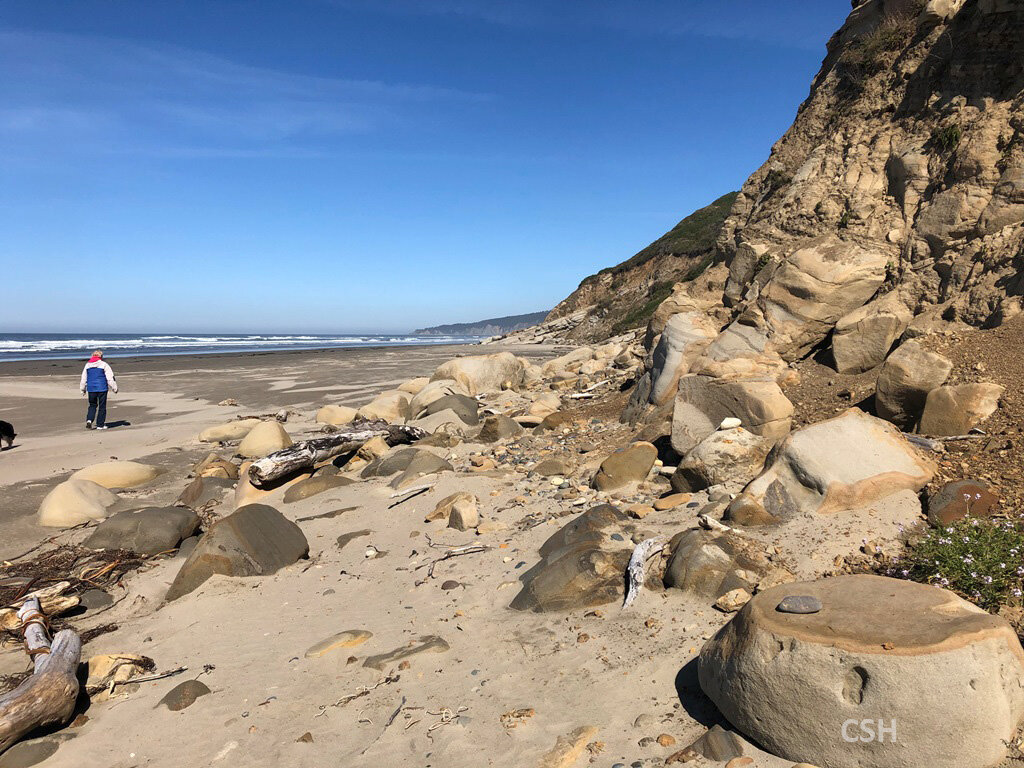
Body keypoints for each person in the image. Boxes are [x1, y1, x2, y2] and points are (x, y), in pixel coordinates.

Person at [79, 350, 118, 430]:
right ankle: (100, 425)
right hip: (102, 388)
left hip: (91, 389)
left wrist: (82, 389)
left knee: (92, 405)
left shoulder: (87, 365)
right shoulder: (104, 364)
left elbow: (83, 378)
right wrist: (114, 388)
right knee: (102, 406)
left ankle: (89, 420)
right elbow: (110, 378)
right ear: (101, 357)